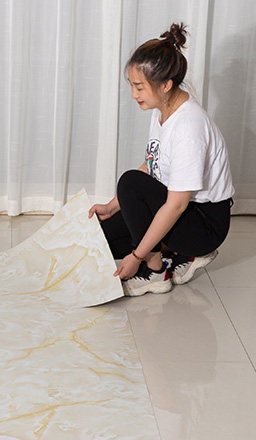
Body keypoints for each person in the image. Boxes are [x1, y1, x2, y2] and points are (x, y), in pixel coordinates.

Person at [89, 22, 234, 297]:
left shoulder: (189, 128)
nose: (134, 95)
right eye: (132, 86)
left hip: (203, 224)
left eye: (139, 87)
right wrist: (111, 207)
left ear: (165, 85)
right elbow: (152, 164)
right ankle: (174, 252)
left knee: (130, 182)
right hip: (181, 207)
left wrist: (138, 256)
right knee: (103, 240)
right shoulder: (163, 109)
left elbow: (176, 205)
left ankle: (156, 271)